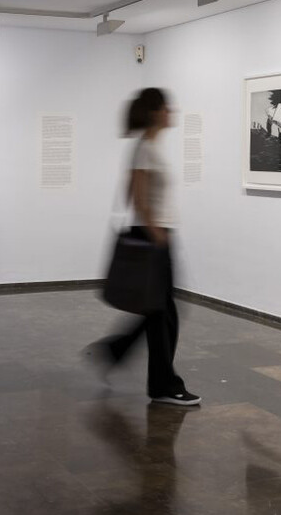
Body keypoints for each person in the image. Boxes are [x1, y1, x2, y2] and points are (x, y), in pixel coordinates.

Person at [87, 88, 200, 406]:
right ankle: (163, 385)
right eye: (166, 107)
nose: (171, 112)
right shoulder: (145, 149)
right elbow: (135, 195)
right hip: (153, 238)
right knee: (163, 314)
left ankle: (117, 353)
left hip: (157, 234)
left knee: (159, 312)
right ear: (154, 112)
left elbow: (132, 192)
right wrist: (155, 232)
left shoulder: (149, 147)